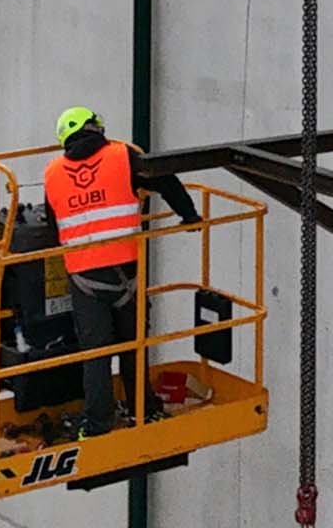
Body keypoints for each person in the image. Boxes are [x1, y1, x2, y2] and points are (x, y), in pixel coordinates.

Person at [43, 106, 201, 437]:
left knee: (97, 355)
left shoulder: (52, 173)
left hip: (84, 278)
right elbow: (167, 181)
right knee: (134, 344)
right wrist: (190, 217)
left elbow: (51, 224)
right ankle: (143, 411)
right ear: (94, 128)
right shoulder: (123, 156)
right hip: (124, 275)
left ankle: (98, 423)